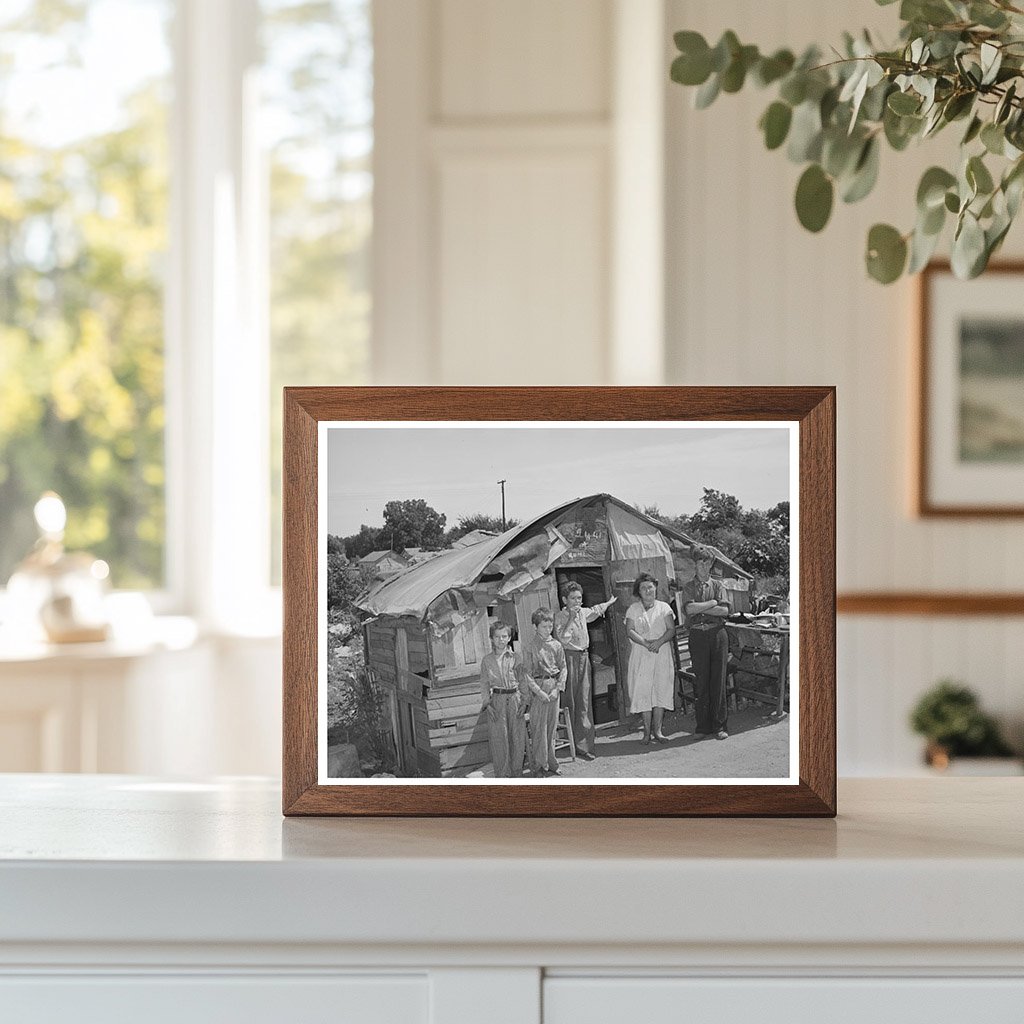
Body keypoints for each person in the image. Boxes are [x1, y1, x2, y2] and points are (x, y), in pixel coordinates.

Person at [553, 582, 616, 761]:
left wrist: (610, 602)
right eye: (573, 598)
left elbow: (596, 610)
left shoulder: (583, 612)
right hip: (569, 658)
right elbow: (563, 639)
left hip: (584, 657)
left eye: (579, 598)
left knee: (585, 701)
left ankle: (585, 745)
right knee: (570, 701)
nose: (577, 602)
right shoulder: (560, 617)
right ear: (564, 600)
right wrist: (571, 618)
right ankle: (571, 743)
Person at [681, 544, 732, 740]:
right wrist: (712, 603)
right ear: (695, 565)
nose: (702, 566)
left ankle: (720, 726)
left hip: (717, 635)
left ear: (711, 565)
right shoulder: (688, 587)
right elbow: (688, 610)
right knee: (701, 681)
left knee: (718, 681)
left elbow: (724, 611)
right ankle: (703, 727)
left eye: (706, 562)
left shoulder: (719, 586)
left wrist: (701, 607)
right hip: (697, 636)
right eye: (699, 562)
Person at [625, 573, 676, 745]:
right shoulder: (633, 609)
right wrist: (646, 644)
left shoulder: (664, 608)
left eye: (650, 587)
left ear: (655, 588)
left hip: (661, 652)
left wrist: (659, 642)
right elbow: (630, 631)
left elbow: (671, 629)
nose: (648, 590)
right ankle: (646, 732)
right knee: (643, 692)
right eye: (643, 588)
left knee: (661, 689)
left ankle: (658, 731)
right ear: (638, 592)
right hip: (641, 653)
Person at [522, 607, 567, 776]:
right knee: (539, 729)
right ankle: (539, 765)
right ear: (535, 627)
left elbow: (563, 668)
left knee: (551, 728)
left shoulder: (556, 645)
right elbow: (526, 673)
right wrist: (538, 692)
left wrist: (558, 688)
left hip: (553, 687)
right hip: (538, 689)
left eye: (550, 626)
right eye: (543, 627)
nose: (548, 630)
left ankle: (552, 763)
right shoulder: (530, 647)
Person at [479, 622, 527, 778]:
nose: (501, 640)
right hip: (497, 701)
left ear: (509, 637)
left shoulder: (516, 657)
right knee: (500, 739)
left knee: (517, 737)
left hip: (514, 698)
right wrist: (487, 705)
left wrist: (524, 702)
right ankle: (502, 775)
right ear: (491, 639)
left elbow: (523, 680)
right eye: (497, 637)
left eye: (504, 636)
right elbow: (484, 683)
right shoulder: (487, 660)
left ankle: (517, 773)